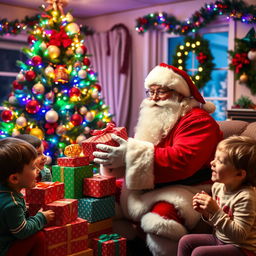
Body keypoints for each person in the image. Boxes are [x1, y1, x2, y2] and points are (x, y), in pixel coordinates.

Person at [93, 63, 223, 255]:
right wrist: (115, 156)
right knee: (101, 198)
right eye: (150, 92)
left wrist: (130, 153)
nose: (153, 98)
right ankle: (119, 247)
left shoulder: (199, 121)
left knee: (162, 220)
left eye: (161, 91)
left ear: (179, 94)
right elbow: (141, 151)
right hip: (151, 183)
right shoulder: (156, 117)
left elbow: (182, 161)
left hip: (188, 187)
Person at [178, 135, 256, 256]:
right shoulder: (218, 187)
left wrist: (215, 211)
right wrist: (206, 213)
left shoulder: (246, 197)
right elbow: (218, 223)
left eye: (219, 161)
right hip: (221, 239)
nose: (212, 163)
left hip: (243, 248)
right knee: (186, 241)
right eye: (215, 158)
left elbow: (239, 236)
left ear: (239, 174)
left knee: (200, 253)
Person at [0, 137, 55, 256]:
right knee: (38, 236)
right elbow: (23, 231)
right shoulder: (12, 203)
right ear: (14, 178)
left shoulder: (6, 192)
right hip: (5, 250)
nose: (37, 171)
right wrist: (41, 217)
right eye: (32, 167)